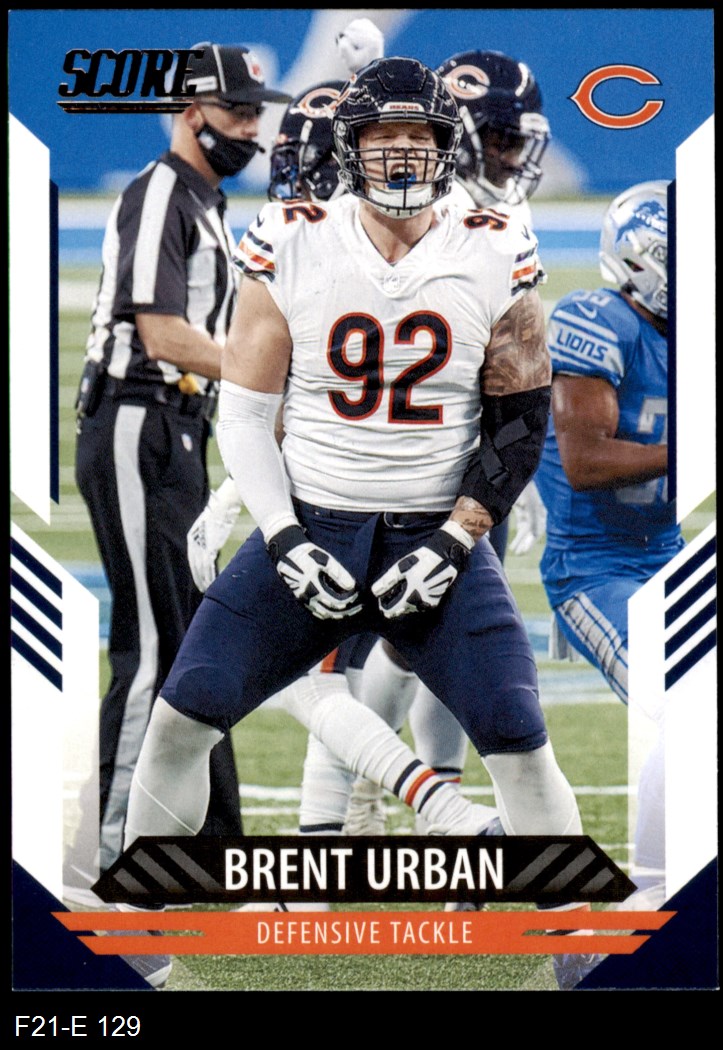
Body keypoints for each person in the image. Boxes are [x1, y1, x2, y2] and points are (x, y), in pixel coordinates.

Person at [125, 54, 583, 922]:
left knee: (518, 738)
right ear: (350, 147)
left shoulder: (495, 242)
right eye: (383, 136)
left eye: (419, 135)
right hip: (312, 521)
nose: (402, 153)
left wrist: (456, 537)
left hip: (433, 532)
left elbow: (519, 421)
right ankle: (142, 935)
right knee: (182, 718)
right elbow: (247, 413)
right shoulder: (291, 235)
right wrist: (281, 534)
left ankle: (579, 948)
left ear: (445, 147)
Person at [71, 43, 292, 882]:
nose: (250, 128)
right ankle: (110, 858)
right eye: (236, 111)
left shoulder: (204, 201)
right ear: (190, 112)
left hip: (179, 429)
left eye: (254, 113)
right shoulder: (162, 190)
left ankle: (213, 849)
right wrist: (261, 383)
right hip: (138, 422)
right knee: (156, 647)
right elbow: (161, 332)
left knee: (200, 644)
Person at [343, 44, 552, 836]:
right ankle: (349, 801)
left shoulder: (501, 217)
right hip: (396, 454)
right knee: (391, 639)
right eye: (498, 137)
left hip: (470, 451)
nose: (510, 156)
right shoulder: (408, 211)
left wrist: (515, 469)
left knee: (431, 637)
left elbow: (517, 363)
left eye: (515, 139)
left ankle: (428, 806)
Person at [534, 180, 679, 988]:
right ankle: (639, 911)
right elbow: (586, 461)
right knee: (683, 711)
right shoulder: (595, 320)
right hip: (593, 567)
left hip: (667, 554)